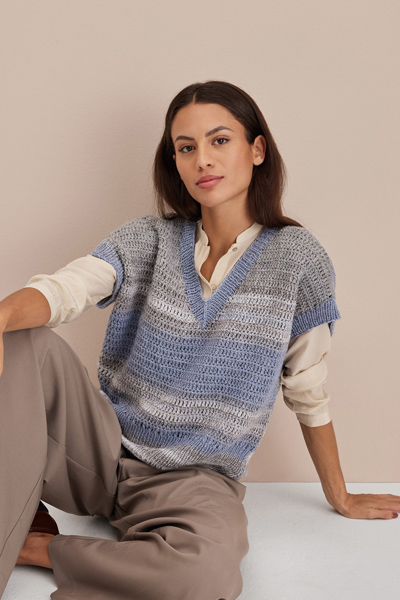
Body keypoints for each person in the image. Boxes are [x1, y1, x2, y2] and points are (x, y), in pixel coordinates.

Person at [1, 80, 399, 600]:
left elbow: (307, 389)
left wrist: (340, 496)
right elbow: (67, 289)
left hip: (194, 481)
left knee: (203, 576)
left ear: (257, 150)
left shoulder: (299, 260)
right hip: (98, 451)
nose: (202, 160)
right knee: (19, 339)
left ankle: (36, 548)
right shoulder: (148, 238)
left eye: (220, 140)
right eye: (186, 147)